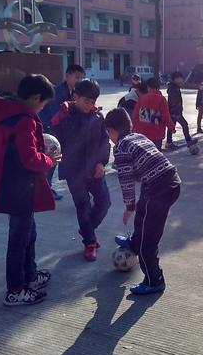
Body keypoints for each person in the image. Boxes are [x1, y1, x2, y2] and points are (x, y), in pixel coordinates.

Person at [0, 74, 61, 306]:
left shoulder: (5, 113)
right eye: (44, 103)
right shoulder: (24, 120)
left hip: (9, 185)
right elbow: (29, 158)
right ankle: (15, 289)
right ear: (36, 98)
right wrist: (49, 160)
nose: (43, 108)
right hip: (19, 189)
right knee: (19, 239)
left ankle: (30, 275)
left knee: (28, 233)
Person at [107, 108, 181, 294]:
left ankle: (154, 281)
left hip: (159, 189)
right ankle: (134, 242)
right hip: (169, 182)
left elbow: (126, 181)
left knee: (148, 242)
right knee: (143, 212)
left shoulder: (121, 147)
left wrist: (128, 207)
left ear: (111, 131)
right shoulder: (138, 136)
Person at [51, 80, 111, 261]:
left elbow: (104, 141)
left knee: (104, 202)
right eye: (86, 101)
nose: (90, 105)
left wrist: (101, 163)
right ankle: (90, 242)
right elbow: (54, 144)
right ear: (75, 96)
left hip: (94, 169)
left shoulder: (98, 117)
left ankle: (87, 229)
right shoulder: (62, 117)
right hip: (74, 171)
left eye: (93, 102)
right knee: (82, 205)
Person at [39, 64, 85, 200]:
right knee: (49, 163)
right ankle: (44, 191)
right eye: (77, 77)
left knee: (52, 163)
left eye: (81, 78)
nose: (79, 80)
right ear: (68, 75)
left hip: (60, 133)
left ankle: (46, 189)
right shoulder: (57, 92)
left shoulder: (74, 92)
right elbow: (57, 115)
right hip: (50, 132)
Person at [132, 77, 175, 151]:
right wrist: (172, 127)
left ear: (148, 87)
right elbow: (166, 116)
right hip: (156, 133)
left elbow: (135, 115)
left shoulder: (142, 98)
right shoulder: (161, 99)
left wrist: (134, 128)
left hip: (142, 132)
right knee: (155, 155)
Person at [165, 71, 197, 150]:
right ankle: (188, 140)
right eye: (180, 78)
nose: (182, 80)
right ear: (175, 79)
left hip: (175, 111)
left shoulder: (175, 87)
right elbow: (173, 101)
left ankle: (169, 142)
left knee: (172, 127)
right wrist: (175, 112)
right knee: (184, 125)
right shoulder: (173, 89)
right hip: (175, 112)